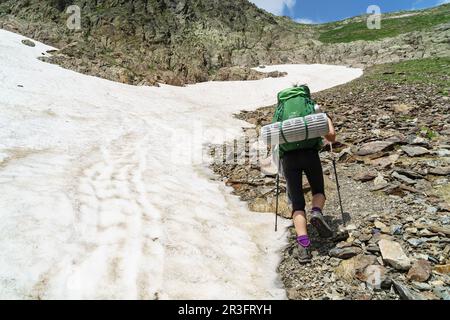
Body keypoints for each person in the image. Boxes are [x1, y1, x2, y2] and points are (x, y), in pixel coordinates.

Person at [281, 103, 336, 264]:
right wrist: (327, 121)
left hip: (289, 159)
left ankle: (304, 246)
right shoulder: (314, 110)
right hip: (310, 155)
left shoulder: (281, 113)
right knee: (318, 190)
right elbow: (331, 137)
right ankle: (316, 212)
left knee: (297, 203)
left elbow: (272, 140)